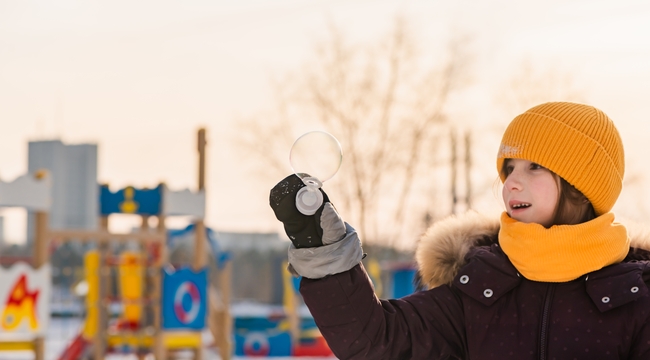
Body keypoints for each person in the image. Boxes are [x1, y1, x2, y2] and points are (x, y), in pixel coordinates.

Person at [269, 102, 650, 359]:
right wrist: (325, 250)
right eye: (509, 169)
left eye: (534, 167)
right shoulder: (480, 287)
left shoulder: (636, 297)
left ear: (579, 186)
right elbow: (377, 340)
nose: (511, 183)